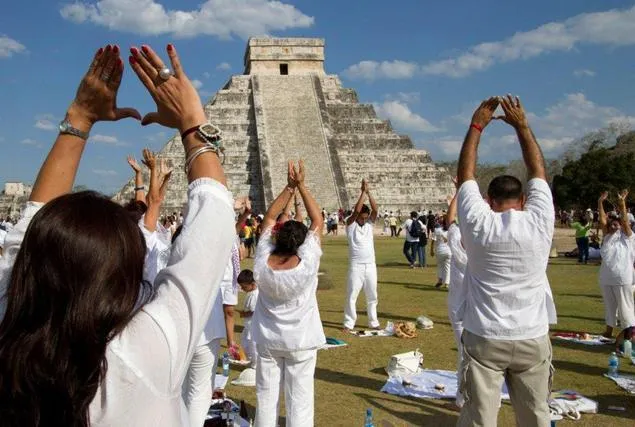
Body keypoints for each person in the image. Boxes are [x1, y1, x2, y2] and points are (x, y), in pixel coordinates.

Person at [0, 44, 235, 426]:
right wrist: (192, 122)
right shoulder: (143, 351)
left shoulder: (11, 325)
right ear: (122, 275)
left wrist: (79, 117)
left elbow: (27, 233)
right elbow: (213, 225)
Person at [456, 95, 556, 427]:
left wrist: (476, 127)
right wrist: (523, 127)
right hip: (532, 334)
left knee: (479, 417)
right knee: (536, 414)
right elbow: (537, 169)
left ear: (488, 200)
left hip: (485, 335)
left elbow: (465, 174)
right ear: (524, 200)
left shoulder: (478, 223)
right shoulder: (540, 220)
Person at [252, 160, 325, 427]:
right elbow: (317, 220)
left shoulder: (262, 262)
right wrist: (302, 186)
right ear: (302, 243)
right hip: (301, 341)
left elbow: (270, 217)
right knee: (300, 403)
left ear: (275, 239)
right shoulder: (307, 264)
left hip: (268, 340)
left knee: (266, 399)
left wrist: (288, 188)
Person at [343, 179, 380, 331]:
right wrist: (362, 193)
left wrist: (369, 193)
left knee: (372, 295)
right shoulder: (350, 224)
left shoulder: (369, 224)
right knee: (352, 295)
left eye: (366, 217)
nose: (364, 220)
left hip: (371, 265)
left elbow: (375, 210)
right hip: (356, 265)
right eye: (362, 218)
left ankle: (374, 322)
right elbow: (356, 211)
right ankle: (348, 323)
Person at [598, 190, 635, 338]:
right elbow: (602, 220)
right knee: (609, 307)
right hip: (606, 278)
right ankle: (609, 331)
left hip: (622, 279)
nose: (614, 225)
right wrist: (600, 202)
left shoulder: (628, 237)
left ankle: (631, 334)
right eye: (612, 223)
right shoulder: (608, 236)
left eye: (616, 223)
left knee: (625, 308)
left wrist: (622, 203)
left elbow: (625, 221)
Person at [446, 178, 467, 408]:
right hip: (481, 310)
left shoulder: (457, 246)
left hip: (459, 308)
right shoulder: (482, 251)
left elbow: (450, 220)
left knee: (465, 353)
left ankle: (463, 397)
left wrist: (458, 192)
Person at [238, 269, 259, 368]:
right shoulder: (251, 293)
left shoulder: (255, 295)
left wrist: (244, 314)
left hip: (254, 326)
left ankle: (256, 365)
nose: (242, 289)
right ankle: (249, 360)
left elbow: (253, 311)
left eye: (244, 287)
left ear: (253, 284)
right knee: (246, 343)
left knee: (254, 345)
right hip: (249, 325)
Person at [431, 215, 452, 288]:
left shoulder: (437, 230)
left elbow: (433, 241)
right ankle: (447, 283)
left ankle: (440, 280)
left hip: (440, 250)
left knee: (440, 266)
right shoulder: (451, 231)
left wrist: (431, 250)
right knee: (447, 267)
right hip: (448, 251)